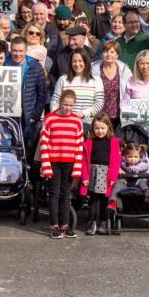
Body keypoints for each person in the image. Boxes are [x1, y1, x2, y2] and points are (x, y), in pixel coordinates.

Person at [40, 89, 84, 239]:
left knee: (66, 195)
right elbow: (44, 143)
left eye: (71, 105)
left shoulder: (77, 121)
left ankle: (65, 225)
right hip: (53, 163)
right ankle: (54, 226)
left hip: (69, 163)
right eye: (65, 104)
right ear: (59, 103)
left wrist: (77, 169)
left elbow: (79, 146)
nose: (68, 108)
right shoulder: (50, 119)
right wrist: (46, 165)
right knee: (54, 194)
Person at [79, 115, 120, 235]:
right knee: (93, 200)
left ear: (108, 127)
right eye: (97, 128)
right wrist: (85, 177)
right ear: (92, 128)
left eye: (102, 128)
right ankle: (91, 222)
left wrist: (113, 177)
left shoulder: (113, 142)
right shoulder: (89, 142)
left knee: (104, 200)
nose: (100, 131)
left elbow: (116, 161)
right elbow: (83, 161)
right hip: (93, 173)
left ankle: (103, 221)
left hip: (107, 174)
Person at [51, 47, 104, 126]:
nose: (77, 64)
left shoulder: (96, 80)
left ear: (86, 62)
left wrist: (83, 113)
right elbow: (55, 101)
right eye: (74, 61)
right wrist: (56, 117)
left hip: (87, 124)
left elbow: (99, 102)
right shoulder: (63, 80)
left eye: (80, 61)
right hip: (65, 123)